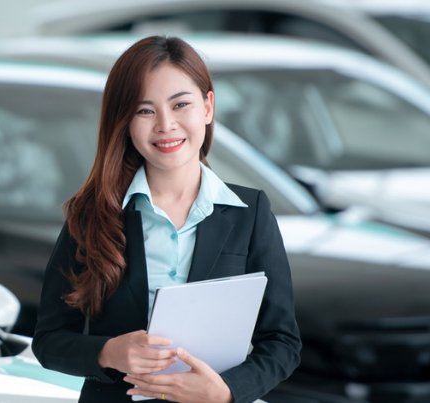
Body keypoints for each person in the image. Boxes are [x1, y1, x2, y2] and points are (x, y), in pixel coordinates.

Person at [32, 35, 301, 403]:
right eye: (145, 111)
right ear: (125, 122)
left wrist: (226, 391)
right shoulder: (93, 213)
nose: (165, 125)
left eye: (180, 105)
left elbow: (282, 342)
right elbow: (49, 341)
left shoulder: (250, 212)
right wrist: (108, 352)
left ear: (207, 107)